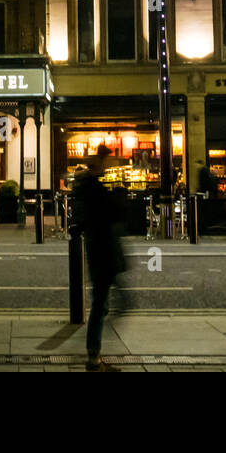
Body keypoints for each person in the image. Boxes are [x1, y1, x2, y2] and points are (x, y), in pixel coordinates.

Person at [73, 144, 127, 370]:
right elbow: (113, 214)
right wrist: (118, 197)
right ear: (96, 167)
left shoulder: (89, 190)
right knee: (101, 305)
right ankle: (93, 355)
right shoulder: (96, 191)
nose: (107, 166)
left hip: (100, 253)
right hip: (103, 254)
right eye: (104, 163)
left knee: (102, 304)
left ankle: (95, 352)